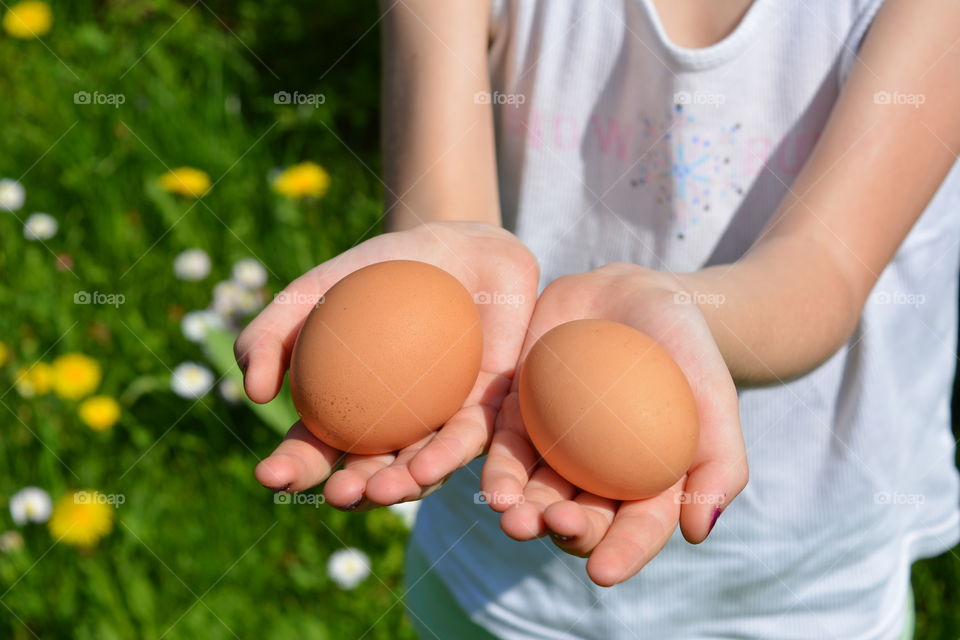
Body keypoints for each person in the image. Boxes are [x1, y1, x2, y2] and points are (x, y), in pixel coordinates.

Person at [235, 0, 960, 637]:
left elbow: (820, 275)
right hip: (494, 565)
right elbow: (445, 222)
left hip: (793, 597)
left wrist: (677, 315)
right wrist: (435, 286)